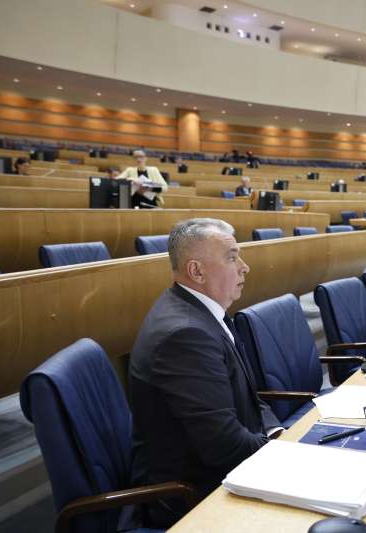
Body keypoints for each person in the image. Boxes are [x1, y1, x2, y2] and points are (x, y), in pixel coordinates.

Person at [128, 218, 282, 528]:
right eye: (232, 257)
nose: (245, 267)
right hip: (193, 496)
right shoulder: (185, 335)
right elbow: (225, 447)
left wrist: (278, 433)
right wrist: (287, 455)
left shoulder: (203, 311)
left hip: (224, 467)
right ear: (197, 271)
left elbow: (250, 399)